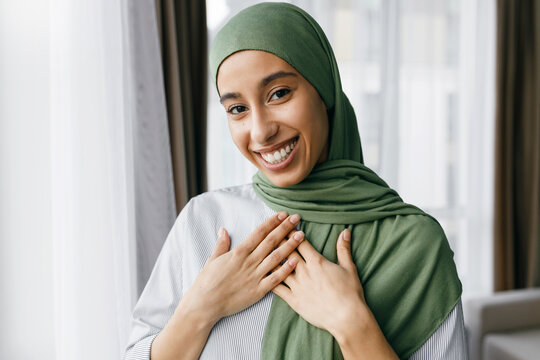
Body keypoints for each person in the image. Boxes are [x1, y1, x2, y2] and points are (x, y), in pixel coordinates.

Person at [124, 3, 467, 359]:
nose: (261, 131)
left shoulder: (413, 245)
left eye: (279, 94)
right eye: (237, 109)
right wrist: (200, 308)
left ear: (324, 89)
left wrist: (353, 325)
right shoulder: (203, 222)